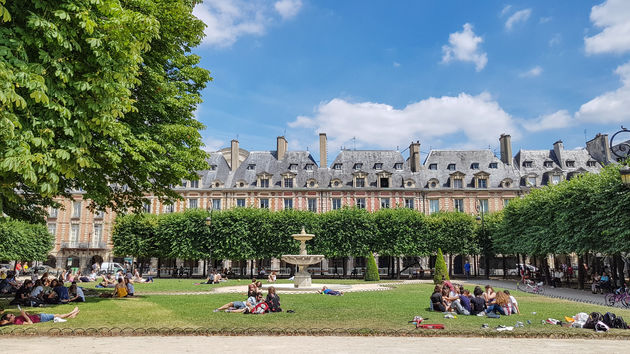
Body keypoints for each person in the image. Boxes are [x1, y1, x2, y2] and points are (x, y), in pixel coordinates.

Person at [0, 306, 80, 326]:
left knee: (57, 316)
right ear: (9, 319)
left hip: (38, 316)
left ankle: (72, 315)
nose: (13, 315)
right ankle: (73, 312)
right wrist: (25, 315)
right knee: (58, 315)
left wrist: (26, 314)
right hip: (40, 318)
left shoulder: (16, 318)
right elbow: (30, 323)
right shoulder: (17, 322)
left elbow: (27, 317)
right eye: (11, 315)